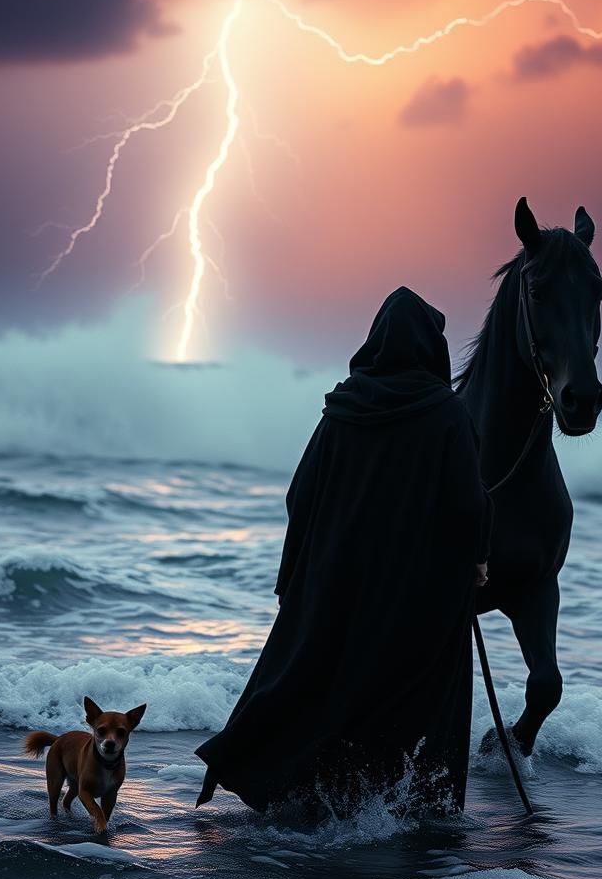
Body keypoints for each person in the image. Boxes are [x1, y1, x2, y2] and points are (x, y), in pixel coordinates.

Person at [194, 286, 493, 817]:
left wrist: (301, 576)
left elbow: (299, 496)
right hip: (413, 598)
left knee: (320, 683)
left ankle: (302, 793)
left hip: (336, 588)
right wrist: (476, 561)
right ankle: (401, 808)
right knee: (411, 695)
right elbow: (468, 506)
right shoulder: (446, 415)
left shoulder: (341, 409)